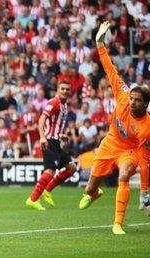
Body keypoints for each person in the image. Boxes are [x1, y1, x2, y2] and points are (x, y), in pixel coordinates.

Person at [79, 22, 150, 235]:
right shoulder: (122, 94)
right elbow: (110, 69)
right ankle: (94, 193)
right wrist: (100, 43)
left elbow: (145, 160)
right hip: (110, 142)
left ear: (145, 105)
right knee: (89, 189)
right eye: (132, 98)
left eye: (137, 101)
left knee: (125, 175)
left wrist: (144, 192)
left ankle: (117, 223)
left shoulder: (146, 127)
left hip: (129, 151)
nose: (131, 102)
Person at [25, 81, 76, 210]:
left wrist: (61, 135)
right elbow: (42, 119)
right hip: (49, 141)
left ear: (70, 92)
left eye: (67, 89)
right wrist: (42, 137)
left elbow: (54, 124)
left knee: (72, 168)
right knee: (50, 171)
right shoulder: (54, 102)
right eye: (62, 89)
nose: (65, 91)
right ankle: (33, 199)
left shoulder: (64, 105)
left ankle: (47, 190)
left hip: (56, 141)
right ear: (58, 90)